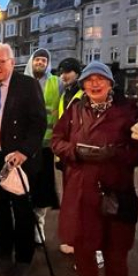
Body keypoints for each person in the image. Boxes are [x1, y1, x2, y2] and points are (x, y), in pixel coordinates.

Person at [51, 61, 138, 276]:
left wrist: (113, 154)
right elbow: (57, 140)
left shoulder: (128, 111)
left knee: (116, 257)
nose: (94, 84)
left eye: (99, 80)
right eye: (89, 80)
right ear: (82, 85)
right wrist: (75, 151)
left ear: (110, 84)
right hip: (80, 194)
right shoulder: (76, 109)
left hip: (115, 193)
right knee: (83, 252)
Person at [0, 42, 47, 276]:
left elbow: (39, 122)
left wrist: (24, 152)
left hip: (18, 159)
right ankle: (4, 247)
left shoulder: (27, 85)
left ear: (11, 62)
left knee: (21, 209)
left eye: (1, 61)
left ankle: (23, 258)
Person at [23, 48, 60, 243]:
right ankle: (24, 225)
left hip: (46, 145)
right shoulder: (21, 82)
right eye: (37, 59)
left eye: (44, 60)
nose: (40, 63)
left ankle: (39, 226)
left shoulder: (56, 82)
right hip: (25, 146)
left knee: (42, 190)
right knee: (24, 187)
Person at [56, 57, 83, 255]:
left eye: (68, 71)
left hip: (79, 155)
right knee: (71, 198)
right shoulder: (66, 94)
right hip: (67, 153)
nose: (63, 76)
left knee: (81, 199)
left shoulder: (82, 95)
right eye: (61, 72)